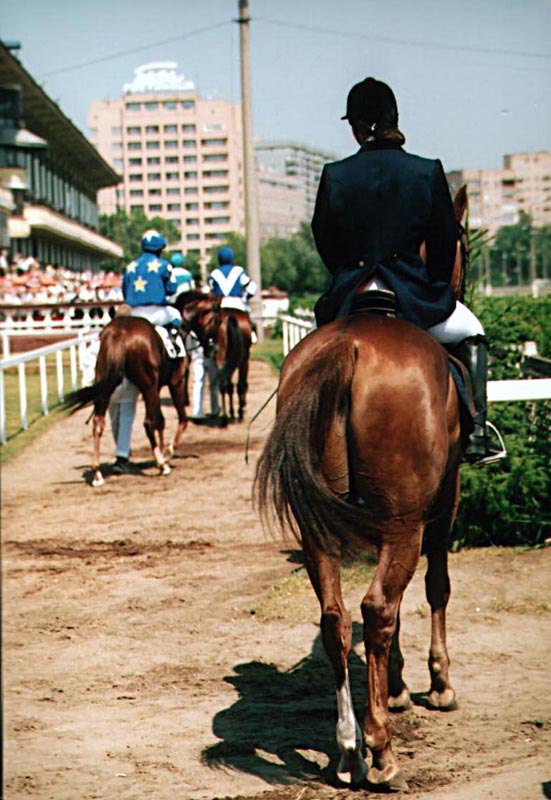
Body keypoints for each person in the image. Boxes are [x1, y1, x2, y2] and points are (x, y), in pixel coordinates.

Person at [311, 77, 503, 465]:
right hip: (412, 293)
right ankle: (479, 433)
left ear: (359, 126)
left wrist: (348, 272)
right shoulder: (426, 171)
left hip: (353, 295)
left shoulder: (335, 174)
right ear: (393, 117)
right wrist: (430, 283)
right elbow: (445, 239)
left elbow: (323, 236)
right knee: (472, 332)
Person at [122, 229, 184, 350]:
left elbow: (124, 291)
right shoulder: (165, 265)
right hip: (158, 312)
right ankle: (174, 345)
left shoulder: (130, 266)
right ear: (159, 249)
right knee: (176, 315)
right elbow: (172, 289)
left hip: (135, 313)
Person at [209, 246, 259, 343]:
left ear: (219, 259)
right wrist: (245, 298)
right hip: (238, 303)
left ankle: (211, 338)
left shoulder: (214, 273)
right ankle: (252, 332)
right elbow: (252, 287)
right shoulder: (239, 271)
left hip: (221, 304)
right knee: (247, 314)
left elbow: (210, 291)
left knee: (213, 321)